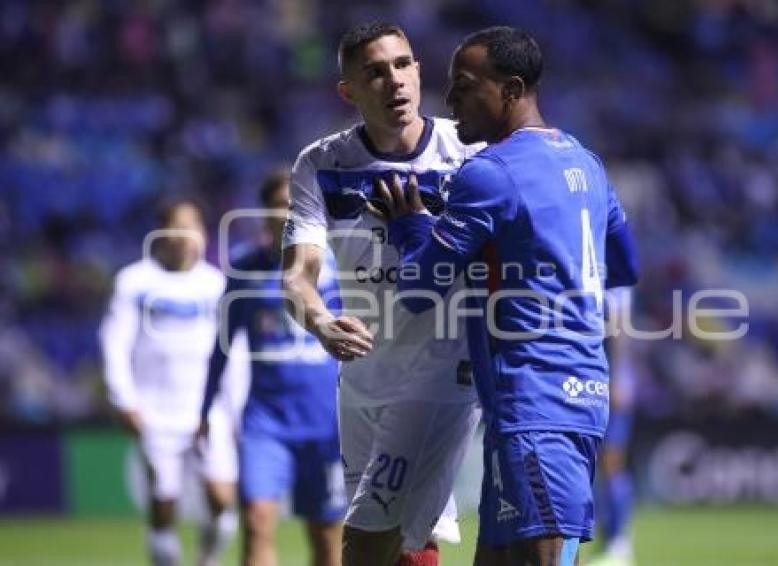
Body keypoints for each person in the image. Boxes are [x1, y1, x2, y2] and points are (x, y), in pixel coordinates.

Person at [373, 27, 639, 566]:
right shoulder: (586, 163)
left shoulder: (491, 173)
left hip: (533, 402)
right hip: (573, 395)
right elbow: (625, 266)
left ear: (512, 89)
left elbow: (419, 291)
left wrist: (411, 227)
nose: (450, 98)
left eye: (465, 85)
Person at [281, 22, 481, 566]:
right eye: (375, 72)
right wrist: (321, 321)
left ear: (418, 70)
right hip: (363, 379)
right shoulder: (321, 164)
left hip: (442, 372)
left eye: (402, 64)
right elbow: (297, 275)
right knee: (407, 540)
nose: (394, 80)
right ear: (348, 91)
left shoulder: (469, 153)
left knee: (370, 542)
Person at [198, 169, 347, 566]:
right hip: (266, 423)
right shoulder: (244, 270)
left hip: (327, 422)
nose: (289, 213)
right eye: (280, 205)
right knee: (257, 519)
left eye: (296, 205)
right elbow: (220, 348)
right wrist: (204, 410)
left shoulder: (338, 266)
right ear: (264, 212)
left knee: (327, 535)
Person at [100, 198, 241, 566]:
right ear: (160, 233)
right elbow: (115, 343)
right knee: (164, 504)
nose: (184, 236)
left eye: (191, 227)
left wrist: (235, 406)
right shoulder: (135, 281)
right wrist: (124, 400)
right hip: (155, 409)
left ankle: (207, 559)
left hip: (208, 409)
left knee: (222, 498)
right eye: (176, 227)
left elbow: (233, 350)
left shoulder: (216, 284)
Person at [588, 288, 637, 566]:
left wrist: (617, 378)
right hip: (592, 382)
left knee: (611, 462)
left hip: (610, 384)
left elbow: (621, 331)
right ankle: (606, 537)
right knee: (595, 465)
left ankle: (619, 541)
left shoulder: (615, 284)